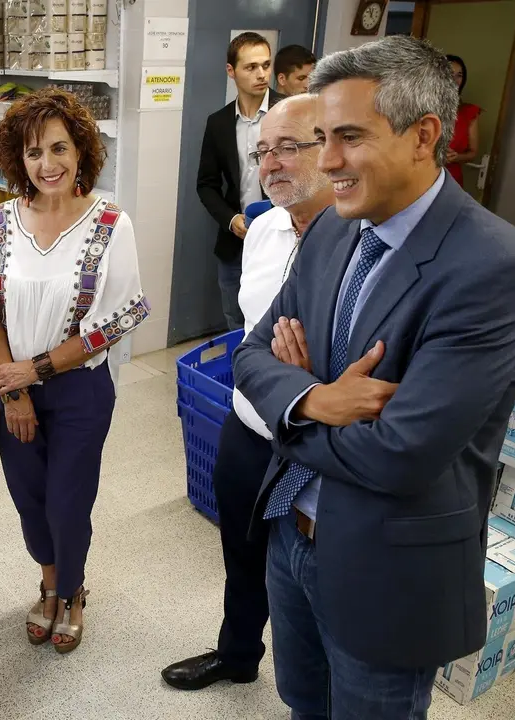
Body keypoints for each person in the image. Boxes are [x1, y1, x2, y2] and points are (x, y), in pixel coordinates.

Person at [233, 36, 515, 719]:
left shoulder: (491, 267)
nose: (326, 160)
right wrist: (318, 398)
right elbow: (250, 356)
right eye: (320, 137)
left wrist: (292, 412)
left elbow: (399, 454)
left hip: (388, 567)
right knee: (303, 701)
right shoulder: (339, 227)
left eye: (347, 137)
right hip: (291, 536)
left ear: (424, 134)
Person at [0, 88, 149, 654]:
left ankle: (70, 591)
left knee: (69, 498)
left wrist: (35, 371)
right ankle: (47, 582)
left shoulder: (111, 223)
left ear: (81, 151)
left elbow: (119, 318)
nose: (47, 165)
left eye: (58, 149)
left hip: (79, 391)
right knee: (28, 497)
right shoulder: (0, 223)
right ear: (16, 160)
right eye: (32, 153)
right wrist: (13, 389)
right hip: (10, 389)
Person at [162, 94, 333, 692]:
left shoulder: (360, 240)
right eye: (263, 151)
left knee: (309, 573)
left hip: (317, 443)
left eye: (289, 147)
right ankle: (237, 654)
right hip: (249, 423)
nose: (271, 164)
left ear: (332, 147)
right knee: (240, 553)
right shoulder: (262, 228)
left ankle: (312, 688)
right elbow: (252, 335)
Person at [199, 32, 286, 330]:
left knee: (278, 322)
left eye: (266, 65)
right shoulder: (219, 123)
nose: (261, 74)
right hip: (237, 240)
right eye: (250, 67)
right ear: (231, 71)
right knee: (235, 319)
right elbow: (206, 184)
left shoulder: (289, 112)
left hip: (283, 237)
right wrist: (230, 219)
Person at [445, 54, 481, 186]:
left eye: (459, 75)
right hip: (417, 175)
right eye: (449, 73)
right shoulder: (418, 107)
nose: (454, 79)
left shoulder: (469, 112)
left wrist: (457, 157)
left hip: (451, 180)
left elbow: (473, 152)